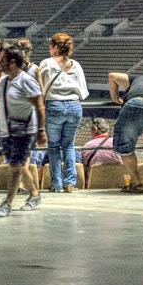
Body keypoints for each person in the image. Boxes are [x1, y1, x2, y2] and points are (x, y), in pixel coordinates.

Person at [0, 45, 45, 217]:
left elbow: (39, 107)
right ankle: (35, 195)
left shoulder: (27, 81)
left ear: (12, 62)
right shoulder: (3, 82)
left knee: (15, 167)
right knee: (18, 166)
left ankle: (7, 203)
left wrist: (41, 130)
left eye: (2, 59)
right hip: (7, 131)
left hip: (25, 131)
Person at [35, 34, 89, 194]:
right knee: (69, 145)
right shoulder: (76, 65)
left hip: (55, 106)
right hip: (74, 105)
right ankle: (70, 181)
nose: (49, 50)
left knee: (53, 147)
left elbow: (41, 86)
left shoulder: (46, 63)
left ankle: (57, 183)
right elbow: (83, 91)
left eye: (51, 46)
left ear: (56, 47)